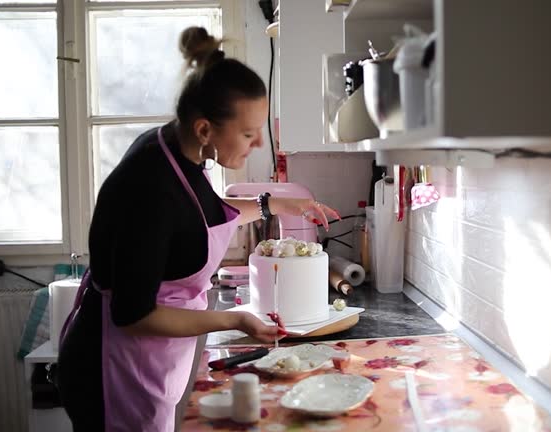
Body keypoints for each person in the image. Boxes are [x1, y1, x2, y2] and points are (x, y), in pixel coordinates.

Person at [56, 26, 340, 432]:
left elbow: (199, 219)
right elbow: (133, 316)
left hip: (150, 357)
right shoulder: (150, 187)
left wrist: (274, 204)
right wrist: (237, 319)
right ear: (205, 129)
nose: (259, 143)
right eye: (247, 133)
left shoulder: (179, 152)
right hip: (113, 369)